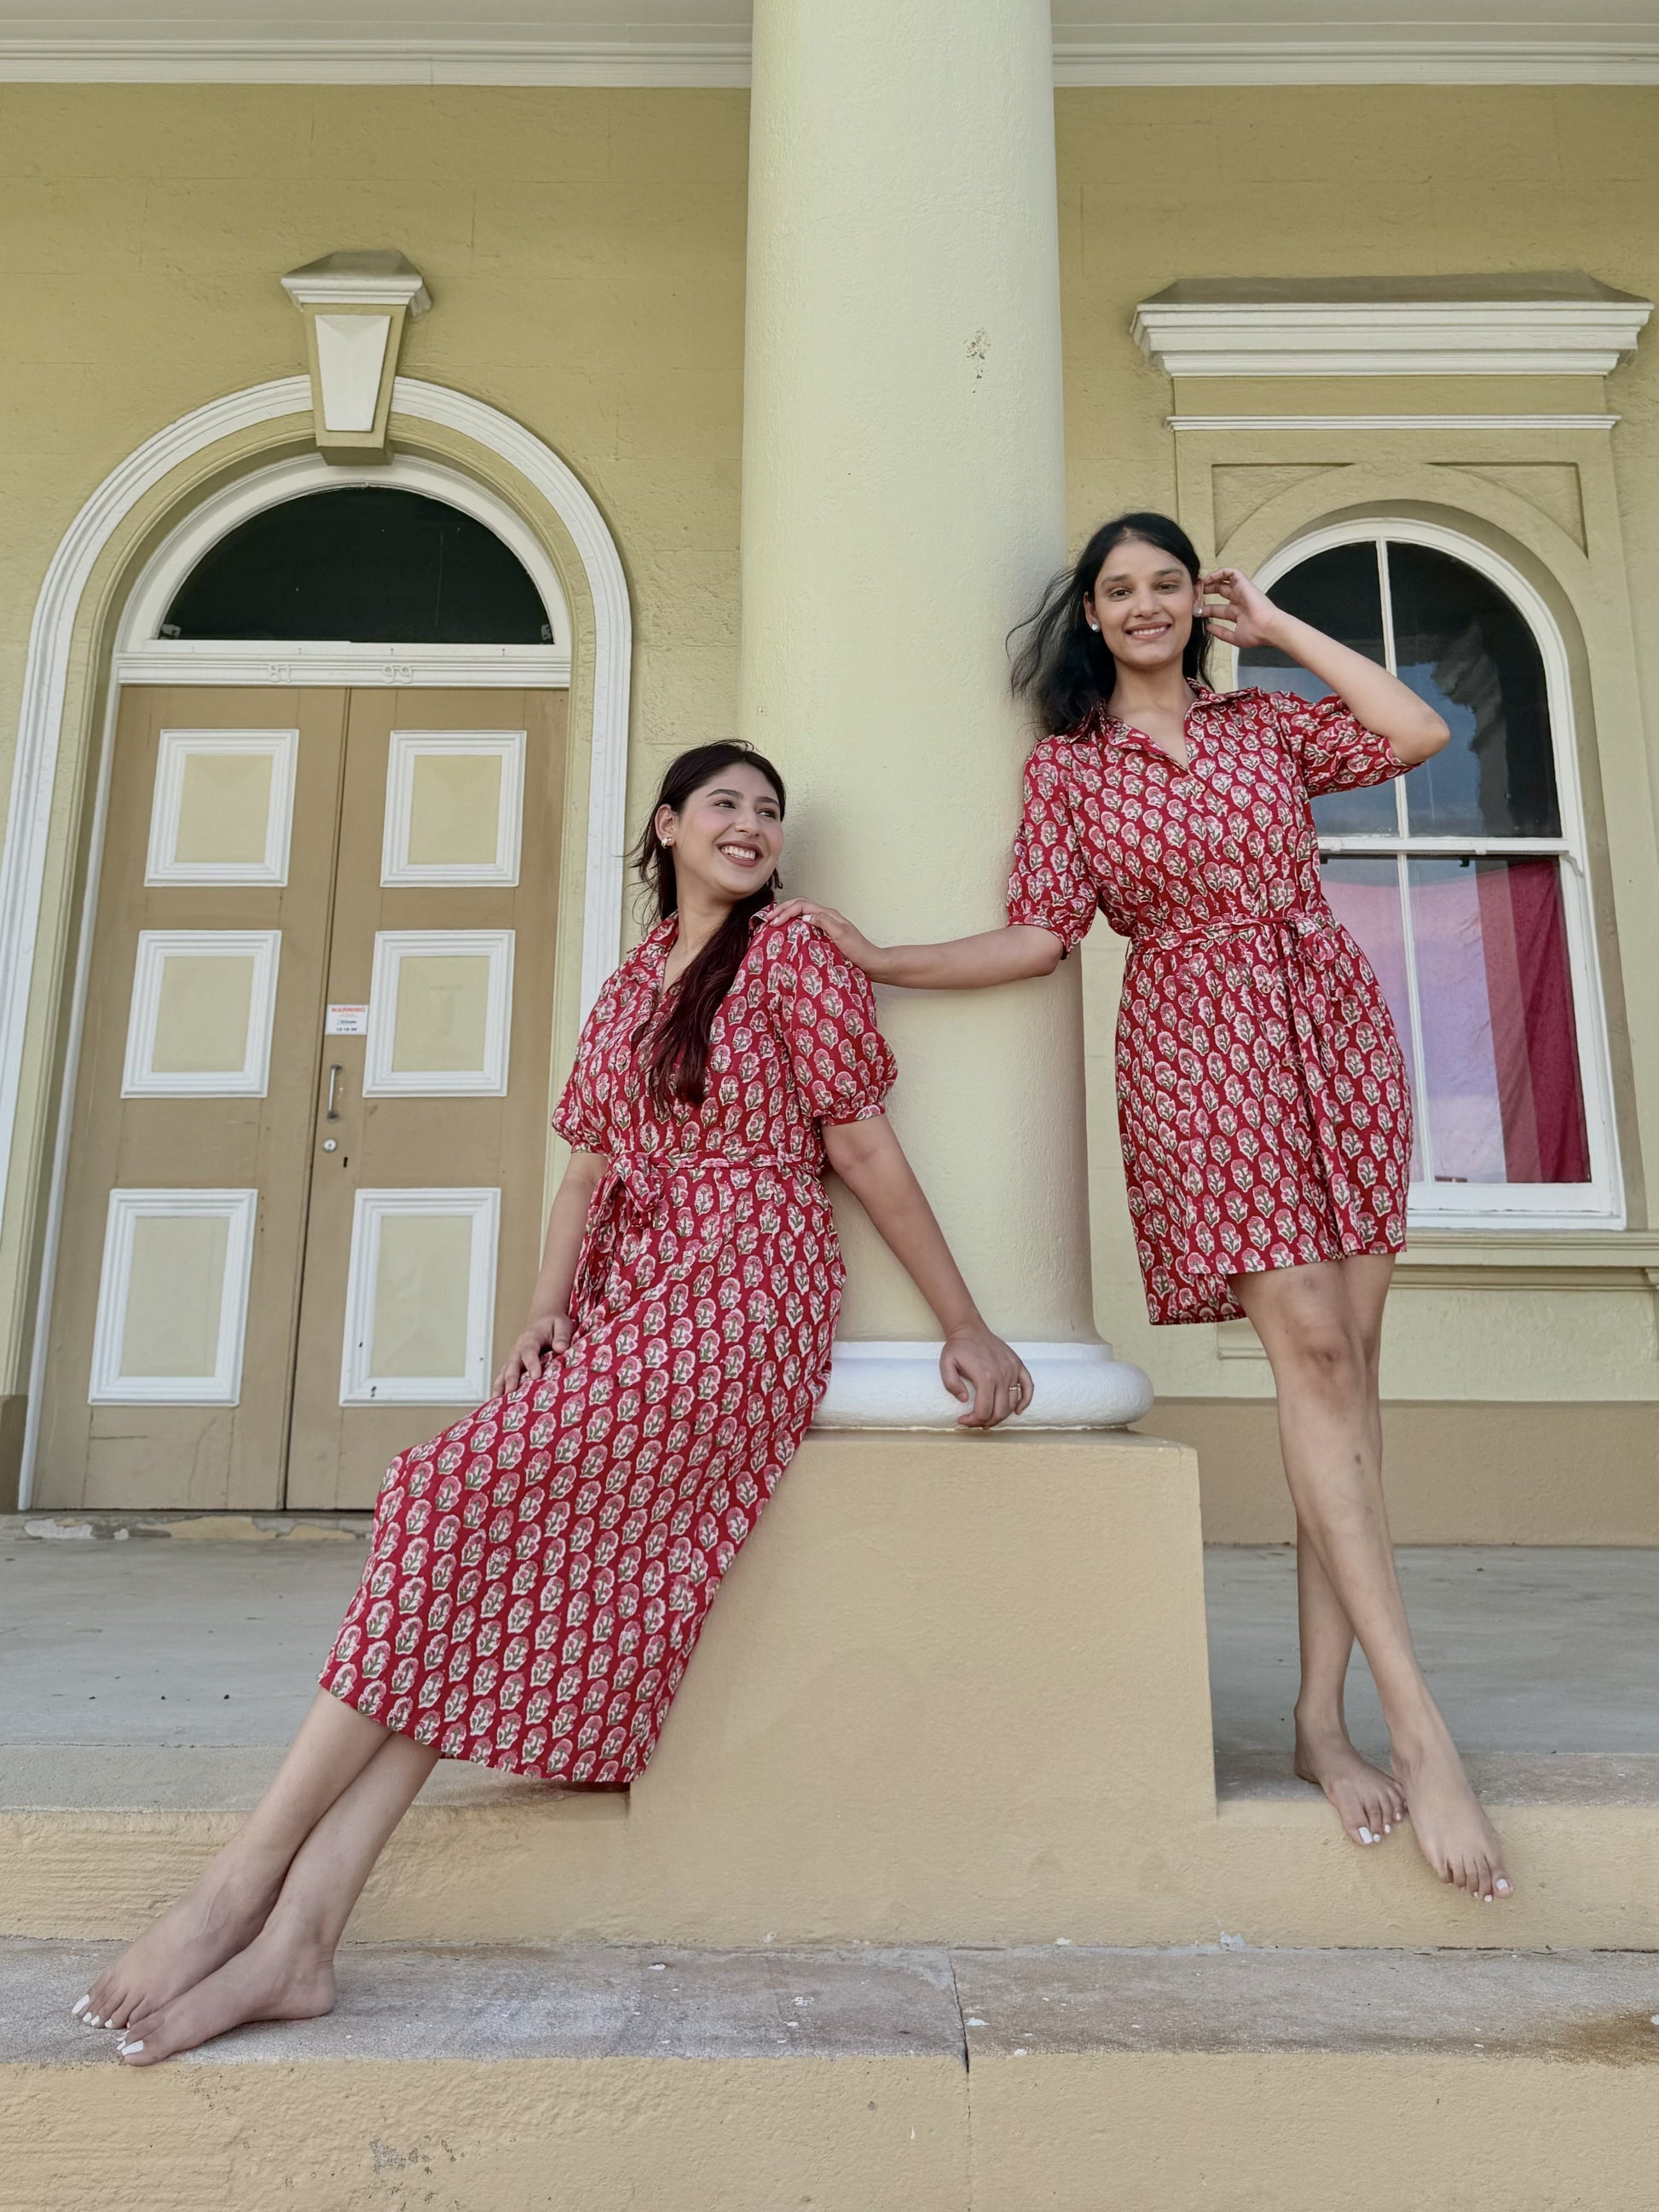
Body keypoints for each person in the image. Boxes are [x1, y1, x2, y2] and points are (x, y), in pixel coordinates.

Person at [78, 739, 1032, 2065]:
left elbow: (861, 1145)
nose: (750, 827)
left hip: (743, 1293)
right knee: (482, 1565)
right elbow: (586, 1168)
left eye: (768, 812)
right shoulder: (636, 979)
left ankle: (244, 1882)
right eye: (723, 806)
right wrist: (541, 1310)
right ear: (666, 827)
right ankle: (300, 1939)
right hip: (628, 1295)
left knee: (444, 1491)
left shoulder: (794, 958)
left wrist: (967, 1319)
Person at [775, 513, 1513, 1906]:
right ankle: (1419, 1732)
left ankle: (1317, 1719)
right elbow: (1040, 934)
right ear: (1091, 616)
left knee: (1348, 1381)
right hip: (1195, 1050)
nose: (1142, 606)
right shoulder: (1066, 768)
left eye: (1165, 584)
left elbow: (1415, 733)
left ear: (1196, 599)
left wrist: (1278, 625)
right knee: (1307, 1357)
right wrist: (883, 956)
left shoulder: (1265, 731)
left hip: (1330, 1033)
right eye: (1117, 591)